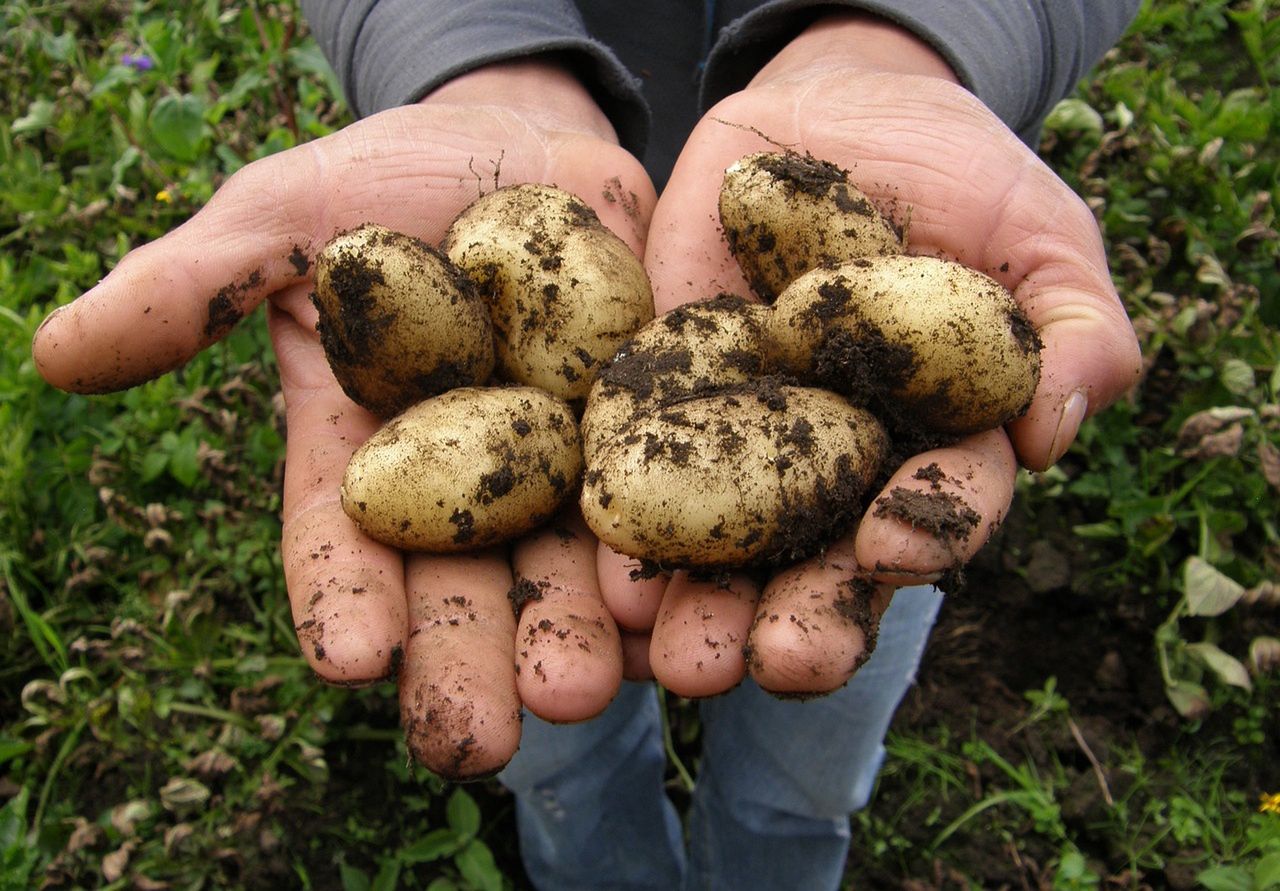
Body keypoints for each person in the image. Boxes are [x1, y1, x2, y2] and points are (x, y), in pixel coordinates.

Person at [32, 2, 1144, 888]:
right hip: (554, 216)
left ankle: (774, 851)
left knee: (810, 744)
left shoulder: (800, 333)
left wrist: (904, 41)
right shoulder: (584, 381)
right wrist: (473, 59)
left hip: (875, 399)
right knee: (554, 729)